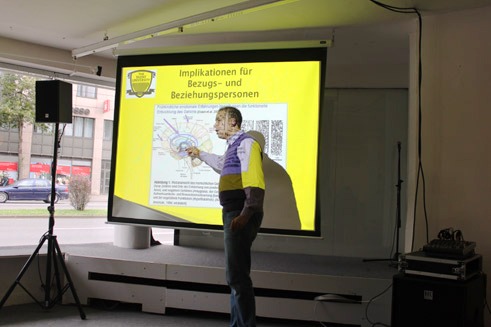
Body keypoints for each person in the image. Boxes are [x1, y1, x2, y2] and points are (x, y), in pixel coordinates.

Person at [186, 106, 265, 327]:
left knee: (237, 277)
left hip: (240, 212)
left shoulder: (247, 143)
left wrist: (245, 214)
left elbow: (255, 181)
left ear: (233, 121)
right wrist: (200, 153)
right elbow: (221, 165)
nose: (215, 125)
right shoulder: (233, 147)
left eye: (219, 120)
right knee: (235, 276)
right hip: (233, 212)